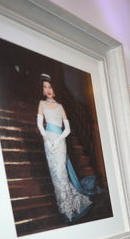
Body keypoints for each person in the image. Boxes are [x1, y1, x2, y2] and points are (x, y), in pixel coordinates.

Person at [37, 73, 92, 222]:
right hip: (48, 142)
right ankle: (64, 206)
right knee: (55, 176)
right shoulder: (41, 104)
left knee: (61, 173)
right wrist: (47, 140)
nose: (48, 90)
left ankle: (69, 208)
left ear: (54, 89)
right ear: (43, 89)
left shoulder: (60, 107)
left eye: (50, 87)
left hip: (60, 142)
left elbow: (67, 129)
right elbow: (39, 125)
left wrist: (58, 140)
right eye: (45, 87)